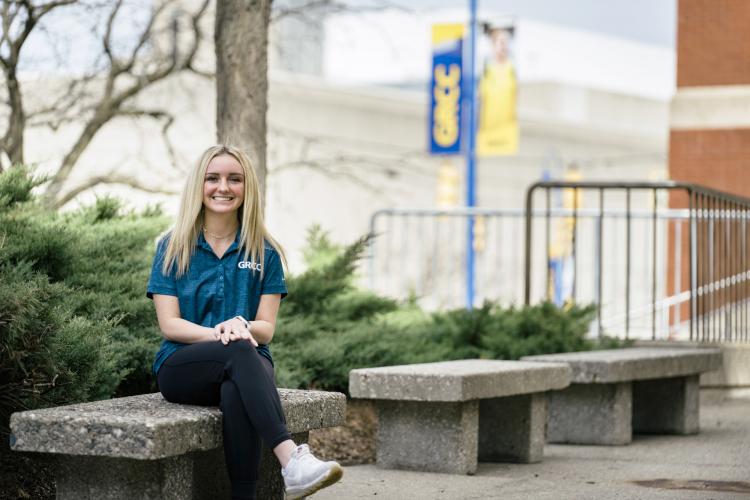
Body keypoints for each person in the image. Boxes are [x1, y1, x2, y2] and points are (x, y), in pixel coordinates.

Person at [147, 145, 343, 500]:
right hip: (182, 365)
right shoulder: (172, 246)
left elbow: (266, 328)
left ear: (246, 187)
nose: (223, 187)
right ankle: (291, 460)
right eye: (213, 178)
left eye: (234, 179)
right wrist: (221, 332)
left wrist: (242, 328)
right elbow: (170, 325)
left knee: (235, 388)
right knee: (236, 350)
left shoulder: (265, 252)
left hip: (249, 363)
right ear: (199, 186)